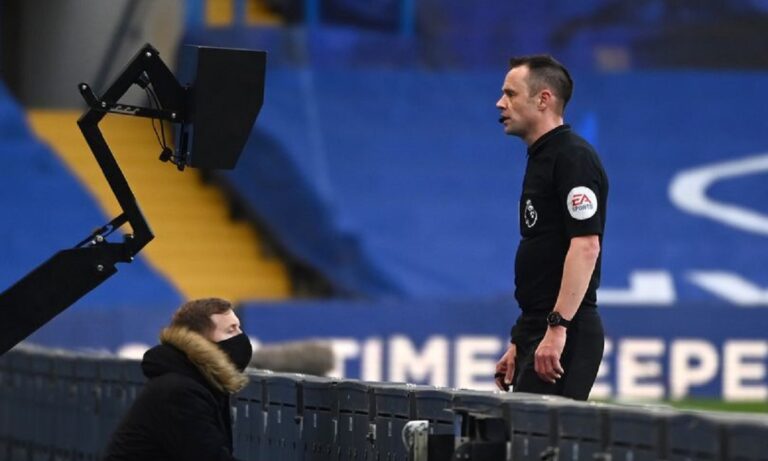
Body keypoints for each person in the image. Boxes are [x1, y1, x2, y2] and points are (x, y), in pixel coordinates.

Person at [493, 55, 608, 400]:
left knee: (535, 434)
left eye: (510, 94)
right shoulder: (541, 157)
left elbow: (586, 247)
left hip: (565, 332)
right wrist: (520, 339)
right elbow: (543, 254)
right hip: (539, 328)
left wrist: (558, 329)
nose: (500, 103)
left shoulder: (573, 157)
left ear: (543, 99)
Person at [103, 298, 252, 461]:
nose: (241, 336)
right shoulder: (179, 392)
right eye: (231, 330)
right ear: (200, 341)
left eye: (239, 328)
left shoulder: (194, 382)